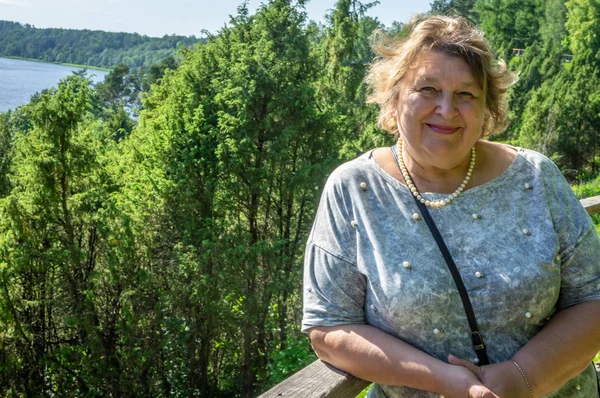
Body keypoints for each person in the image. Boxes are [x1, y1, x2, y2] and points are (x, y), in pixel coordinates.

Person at [301, 14, 600, 398]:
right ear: (394, 99)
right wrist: (443, 380)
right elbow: (329, 329)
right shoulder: (354, 189)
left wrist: (522, 378)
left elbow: (593, 297)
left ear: (487, 109)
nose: (446, 109)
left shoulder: (536, 177)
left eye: (465, 94)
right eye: (428, 89)